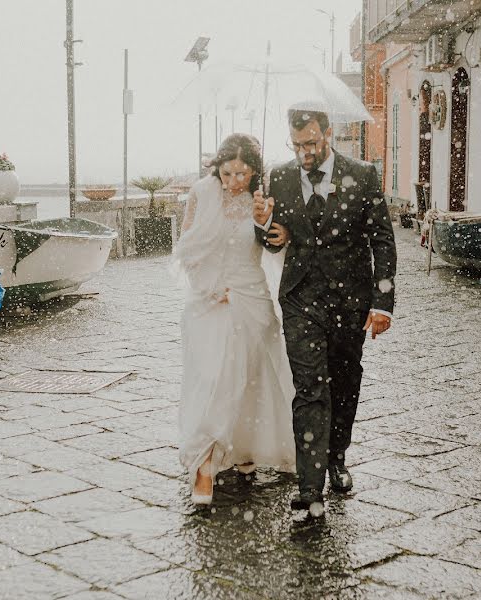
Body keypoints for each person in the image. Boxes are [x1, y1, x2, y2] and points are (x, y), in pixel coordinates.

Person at [253, 108, 397, 515]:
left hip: (350, 301)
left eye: (312, 143)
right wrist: (265, 228)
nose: (305, 153)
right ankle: (310, 485)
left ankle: (337, 458)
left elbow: (382, 241)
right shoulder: (278, 177)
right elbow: (274, 241)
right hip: (301, 299)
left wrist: (382, 302)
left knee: (345, 382)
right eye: (297, 145)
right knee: (310, 388)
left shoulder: (363, 174)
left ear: (329, 134)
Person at [175, 133, 296, 506]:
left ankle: (243, 448)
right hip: (210, 300)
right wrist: (211, 286)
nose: (233, 182)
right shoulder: (201, 193)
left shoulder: (263, 200)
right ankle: (204, 465)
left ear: (254, 172)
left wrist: (272, 224)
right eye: (227, 173)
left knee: (252, 377)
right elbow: (186, 250)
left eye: (242, 174)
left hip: (252, 297)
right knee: (213, 378)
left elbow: (277, 247)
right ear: (218, 168)